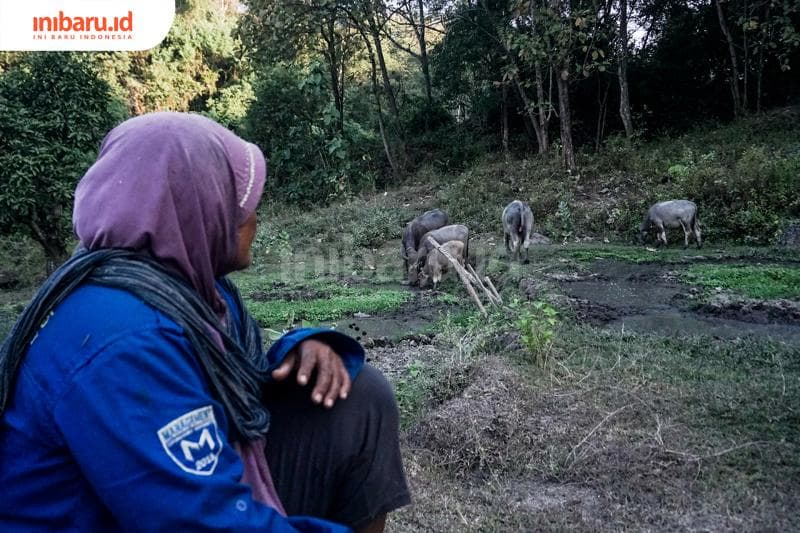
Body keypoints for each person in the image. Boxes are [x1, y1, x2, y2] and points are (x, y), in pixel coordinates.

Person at [0, 112, 410, 531]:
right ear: (200, 210)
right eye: (243, 206)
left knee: (359, 395)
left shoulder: (190, 290)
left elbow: (234, 369)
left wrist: (303, 346)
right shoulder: (125, 343)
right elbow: (199, 523)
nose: (255, 220)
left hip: (151, 499)